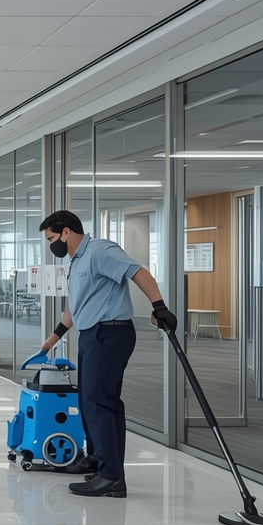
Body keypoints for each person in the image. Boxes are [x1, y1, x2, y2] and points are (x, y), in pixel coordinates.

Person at [34, 210, 176, 499]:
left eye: (51, 238)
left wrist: (159, 306)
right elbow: (76, 308)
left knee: (99, 403)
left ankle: (111, 476)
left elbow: (137, 271)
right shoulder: (76, 263)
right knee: (90, 402)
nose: (51, 245)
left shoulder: (99, 250)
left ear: (66, 232)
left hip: (110, 334)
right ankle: (99, 461)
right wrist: (50, 342)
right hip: (90, 336)